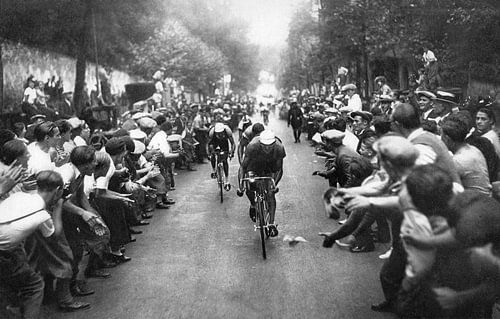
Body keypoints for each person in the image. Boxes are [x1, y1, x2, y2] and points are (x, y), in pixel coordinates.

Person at [0, 170, 65, 318]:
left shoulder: (18, 195)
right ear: (57, 191)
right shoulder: (42, 216)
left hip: (10, 249)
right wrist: (58, 207)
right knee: (34, 286)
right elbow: (55, 235)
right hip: (4, 253)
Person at [238, 130, 285, 237]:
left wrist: (274, 184)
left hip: (270, 165)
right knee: (249, 185)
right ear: (260, 143)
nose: (267, 149)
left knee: (270, 193)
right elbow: (243, 167)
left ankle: (272, 223)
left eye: (270, 146)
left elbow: (279, 170)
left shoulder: (279, 148)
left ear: (274, 144)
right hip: (255, 164)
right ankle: (253, 205)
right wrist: (241, 186)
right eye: (264, 146)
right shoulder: (252, 146)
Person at [440, 114, 491, 195]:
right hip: (485, 200)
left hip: (474, 203)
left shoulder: (457, 161)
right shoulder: (473, 149)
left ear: (447, 139)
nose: (440, 139)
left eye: (441, 135)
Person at [208, 122, 235, 191]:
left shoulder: (228, 131)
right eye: (218, 133)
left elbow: (232, 143)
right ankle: (214, 170)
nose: (220, 134)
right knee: (213, 155)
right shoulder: (212, 132)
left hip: (224, 143)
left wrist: (232, 152)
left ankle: (227, 180)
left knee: (225, 160)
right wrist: (210, 153)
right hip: (214, 142)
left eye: (221, 133)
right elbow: (209, 144)